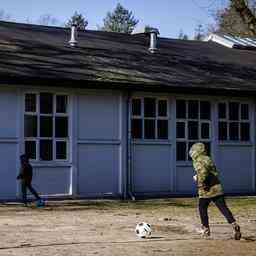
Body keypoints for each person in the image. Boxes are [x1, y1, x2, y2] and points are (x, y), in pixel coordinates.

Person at [189, 142, 241, 240]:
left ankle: (206, 230)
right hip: (217, 187)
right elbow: (212, 171)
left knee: (202, 208)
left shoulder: (198, 160)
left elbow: (203, 172)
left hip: (206, 189)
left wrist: (199, 181)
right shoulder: (208, 158)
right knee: (223, 208)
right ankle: (234, 224)